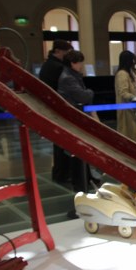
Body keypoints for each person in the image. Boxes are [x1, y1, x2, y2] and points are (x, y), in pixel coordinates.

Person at [57, 49, 95, 193]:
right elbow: (83, 96)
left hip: (75, 116)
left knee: (80, 152)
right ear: (73, 63)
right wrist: (90, 92)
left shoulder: (71, 76)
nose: (81, 65)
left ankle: (86, 178)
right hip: (74, 118)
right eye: (80, 63)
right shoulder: (69, 78)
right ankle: (80, 183)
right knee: (77, 152)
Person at [38, 39, 73, 185]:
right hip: (59, 109)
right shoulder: (58, 67)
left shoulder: (47, 65)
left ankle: (60, 173)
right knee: (64, 144)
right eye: (67, 52)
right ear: (59, 51)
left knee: (59, 144)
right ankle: (63, 174)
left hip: (50, 107)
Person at [115, 50, 136, 143]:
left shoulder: (129, 73)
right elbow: (123, 92)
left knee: (134, 135)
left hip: (131, 109)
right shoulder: (122, 74)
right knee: (129, 135)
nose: (134, 63)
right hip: (126, 109)